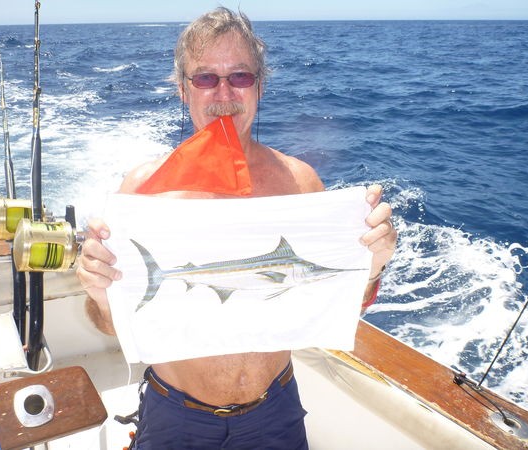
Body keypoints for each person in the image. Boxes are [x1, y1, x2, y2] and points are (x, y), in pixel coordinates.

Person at [77, 7, 397, 449]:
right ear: (182, 89)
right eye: (205, 78)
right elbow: (110, 325)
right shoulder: (144, 191)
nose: (224, 93)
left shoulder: (301, 184)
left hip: (276, 411)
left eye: (240, 76)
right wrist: (99, 292)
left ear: (260, 86)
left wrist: (372, 268)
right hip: (176, 417)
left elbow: (338, 303)